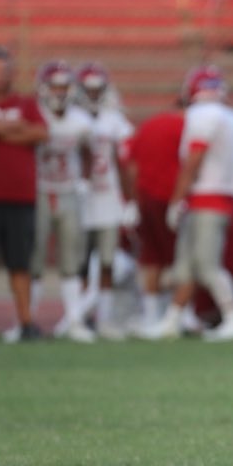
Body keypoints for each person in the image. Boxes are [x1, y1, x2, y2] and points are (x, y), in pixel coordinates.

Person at [142, 65, 233, 342]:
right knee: (187, 267)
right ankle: (172, 320)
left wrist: (176, 199)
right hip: (222, 196)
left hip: (207, 197)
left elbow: (194, 159)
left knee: (206, 266)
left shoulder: (203, 115)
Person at [0, 46, 49, 342]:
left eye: (3, 71)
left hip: (20, 198)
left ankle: (26, 321)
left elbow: (40, 133)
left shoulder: (25, 104)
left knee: (20, 263)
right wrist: (12, 129)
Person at [32, 60, 95, 342]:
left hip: (69, 191)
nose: (59, 92)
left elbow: (89, 153)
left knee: (71, 259)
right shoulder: (35, 114)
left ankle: (74, 320)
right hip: (39, 190)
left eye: (64, 86)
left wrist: (85, 181)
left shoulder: (81, 121)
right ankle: (27, 320)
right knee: (34, 258)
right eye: (54, 86)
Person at [74, 62, 136, 339]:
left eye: (97, 89)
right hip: (79, 198)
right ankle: (79, 317)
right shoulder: (71, 118)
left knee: (107, 261)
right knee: (80, 263)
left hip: (108, 199)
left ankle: (104, 319)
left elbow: (125, 164)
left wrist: (129, 200)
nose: (93, 94)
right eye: (89, 89)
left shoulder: (115, 121)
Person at [126, 103, 185, 331]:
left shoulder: (149, 125)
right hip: (172, 198)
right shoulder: (185, 126)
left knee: (152, 257)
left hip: (145, 196)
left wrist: (133, 199)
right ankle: (179, 314)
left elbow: (132, 166)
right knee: (181, 258)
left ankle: (151, 315)